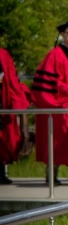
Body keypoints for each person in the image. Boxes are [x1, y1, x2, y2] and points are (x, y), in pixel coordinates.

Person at [31, 23, 68, 182]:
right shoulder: (54, 55)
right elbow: (50, 85)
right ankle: (51, 174)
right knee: (57, 140)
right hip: (61, 105)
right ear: (62, 35)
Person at [0, 43, 28, 185]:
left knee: (4, 142)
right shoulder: (3, 55)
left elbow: (12, 82)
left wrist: (17, 103)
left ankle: (1, 173)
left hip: (3, 104)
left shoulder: (4, 56)